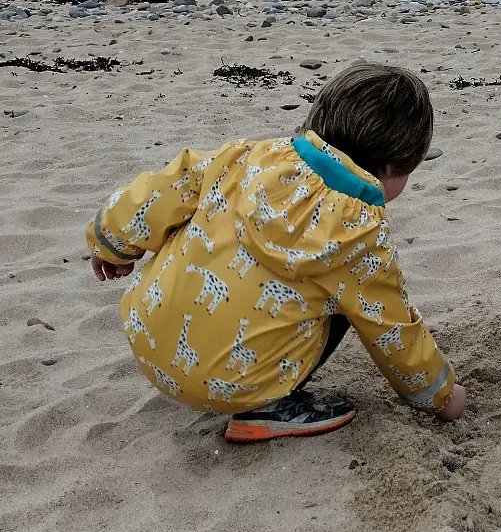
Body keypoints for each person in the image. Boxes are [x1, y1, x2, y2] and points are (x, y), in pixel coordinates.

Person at [87, 62, 466, 442]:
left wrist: (112, 244)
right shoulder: (362, 238)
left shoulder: (247, 156)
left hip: (146, 338)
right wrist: (443, 397)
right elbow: (394, 331)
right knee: (355, 301)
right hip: (231, 384)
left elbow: (164, 189)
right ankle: (268, 409)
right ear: (391, 167)